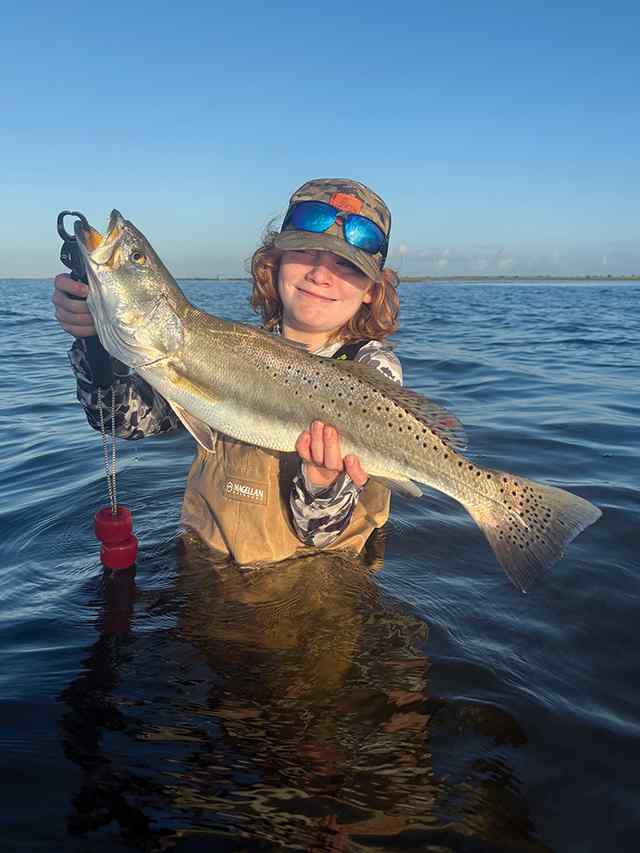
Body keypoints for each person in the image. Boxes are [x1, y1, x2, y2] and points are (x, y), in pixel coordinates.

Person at [52, 178, 402, 564]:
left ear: (371, 289)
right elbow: (122, 423)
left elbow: (318, 535)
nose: (321, 275)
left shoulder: (372, 370)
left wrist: (323, 483)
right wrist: (95, 344)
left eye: (345, 265)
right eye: (306, 253)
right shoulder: (230, 349)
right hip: (204, 570)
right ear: (275, 263)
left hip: (315, 588)